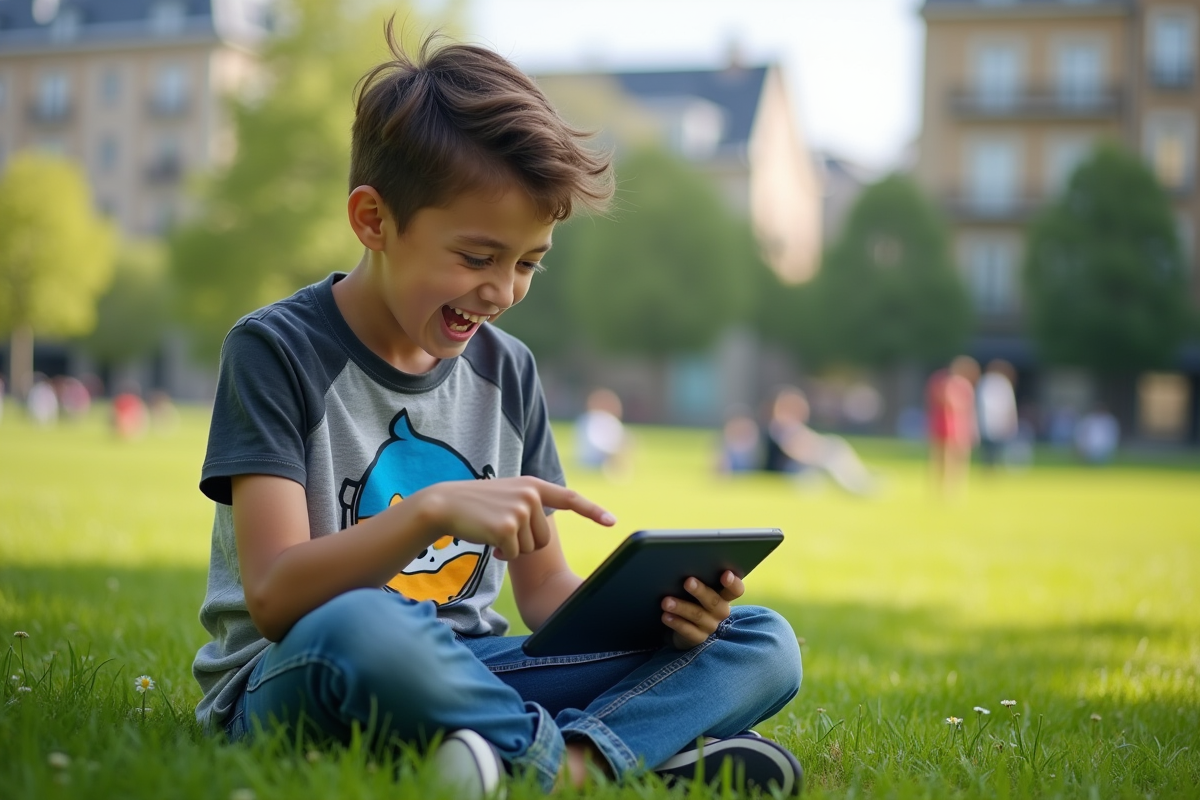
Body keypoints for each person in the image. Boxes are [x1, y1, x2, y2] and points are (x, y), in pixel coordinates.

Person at [191, 27, 803, 800]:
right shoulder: (275, 350)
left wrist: (665, 617)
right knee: (371, 626)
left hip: (478, 672)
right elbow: (277, 596)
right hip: (301, 674)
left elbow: (544, 592)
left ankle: (535, 759)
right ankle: (600, 759)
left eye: (528, 263)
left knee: (762, 640)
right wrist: (431, 512)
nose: (503, 291)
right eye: (478, 258)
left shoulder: (507, 371)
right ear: (374, 221)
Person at [761, 387, 878, 495]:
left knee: (836, 446)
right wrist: (815, 457)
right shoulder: (779, 427)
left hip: (807, 461)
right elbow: (792, 452)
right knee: (828, 464)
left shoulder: (794, 426)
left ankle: (860, 480)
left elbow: (816, 442)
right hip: (791, 468)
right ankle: (856, 489)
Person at [926, 356, 979, 497]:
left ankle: (955, 490)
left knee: (960, 461)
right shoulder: (941, 381)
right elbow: (947, 401)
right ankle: (941, 490)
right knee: (941, 461)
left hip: (960, 428)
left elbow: (967, 408)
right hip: (942, 427)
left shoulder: (963, 385)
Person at [573, 388, 631, 479]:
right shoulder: (591, 419)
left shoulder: (607, 419)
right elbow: (594, 443)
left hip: (601, 456)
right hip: (594, 460)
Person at [976, 359, 1018, 469]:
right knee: (989, 448)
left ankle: (993, 466)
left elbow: (1008, 405)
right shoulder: (987, 382)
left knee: (996, 448)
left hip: (997, 422)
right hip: (989, 422)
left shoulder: (999, 383)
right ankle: (989, 467)